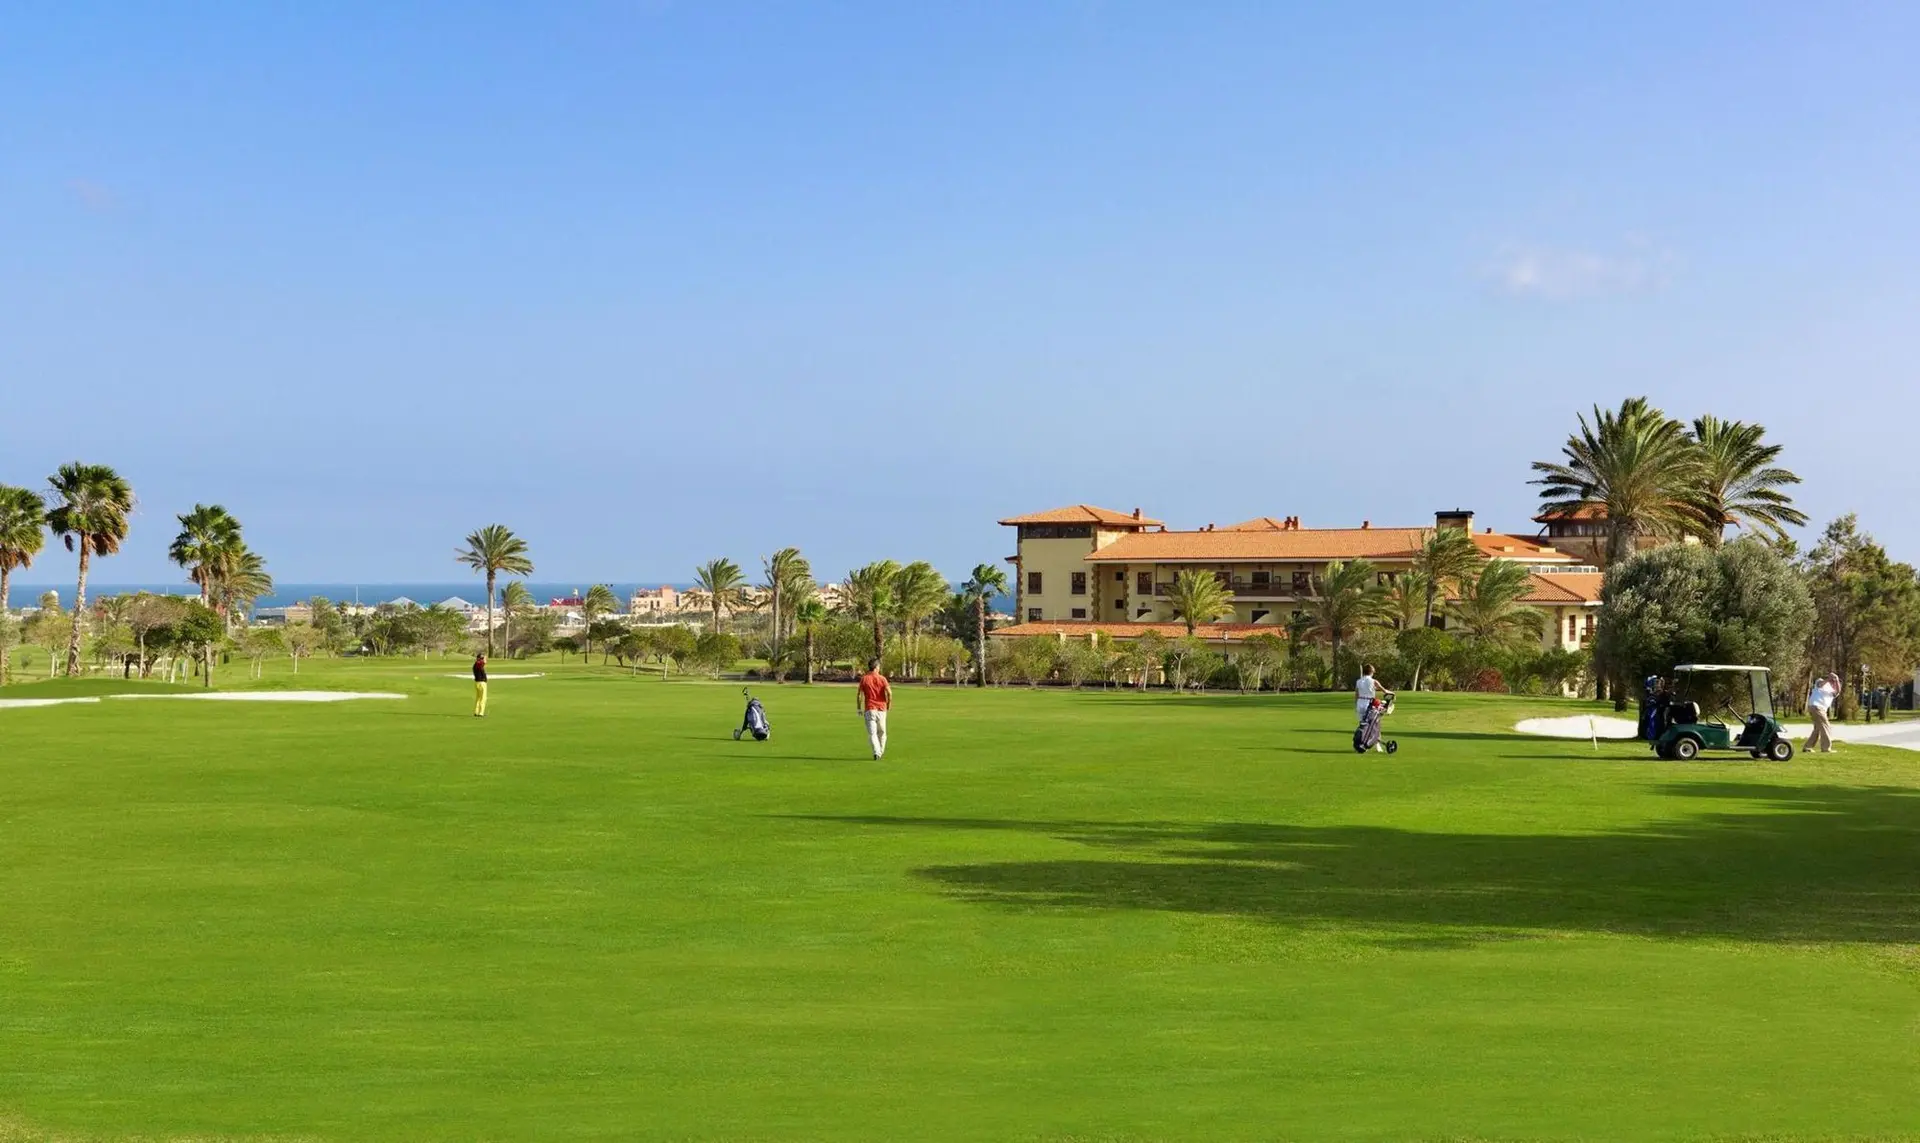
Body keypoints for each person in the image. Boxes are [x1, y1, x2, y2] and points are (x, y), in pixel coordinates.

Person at [856, 657, 892, 760]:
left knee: (872, 733)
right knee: (882, 733)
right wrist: (889, 704)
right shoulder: (882, 679)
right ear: (876, 667)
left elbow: (859, 695)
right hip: (881, 709)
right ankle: (880, 751)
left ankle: (877, 752)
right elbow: (889, 693)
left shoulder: (864, 678)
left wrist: (859, 708)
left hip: (870, 709)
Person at [1804, 671, 1839, 754]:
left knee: (1817, 729)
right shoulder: (1820, 681)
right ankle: (1826, 748)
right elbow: (1820, 684)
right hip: (1817, 706)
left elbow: (1838, 692)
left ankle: (1807, 747)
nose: (1833, 682)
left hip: (1819, 708)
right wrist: (1828, 679)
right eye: (1833, 681)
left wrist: (1837, 680)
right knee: (1826, 726)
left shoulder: (1832, 690)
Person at [472, 653, 489, 718]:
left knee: (478, 698)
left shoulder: (475, 665)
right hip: (481, 683)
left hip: (477, 683)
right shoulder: (478, 664)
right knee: (483, 698)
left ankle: (476, 712)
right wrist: (484, 659)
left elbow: (482, 663)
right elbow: (483, 663)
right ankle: (481, 713)